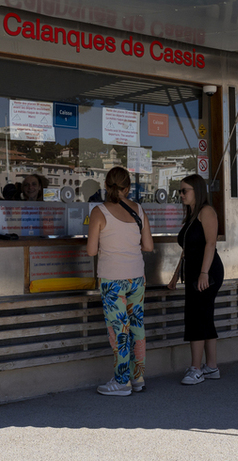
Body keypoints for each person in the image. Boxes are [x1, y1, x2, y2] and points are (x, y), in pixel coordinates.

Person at [87, 166, 153, 396]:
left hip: (113, 280)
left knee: (119, 329)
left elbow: (92, 250)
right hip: (137, 278)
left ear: (106, 185)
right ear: (128, 188)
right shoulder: (139, 210)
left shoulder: (99, 212)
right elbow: (148, 246)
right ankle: (138, 377)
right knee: (137, 327)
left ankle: (121, 381)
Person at [167, 174, 225, 385]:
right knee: (204, 316)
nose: (181, 195)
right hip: (194, 271)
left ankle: (196, 369)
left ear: (197, 192)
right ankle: (211, 366)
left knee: (196, 317)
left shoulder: (206, 211)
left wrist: (204, 273)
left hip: (206, 271)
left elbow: (210, 244)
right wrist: (175, 275)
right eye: (180, 191)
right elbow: (187, 250)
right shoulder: (192, 215)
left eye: (185, 191)